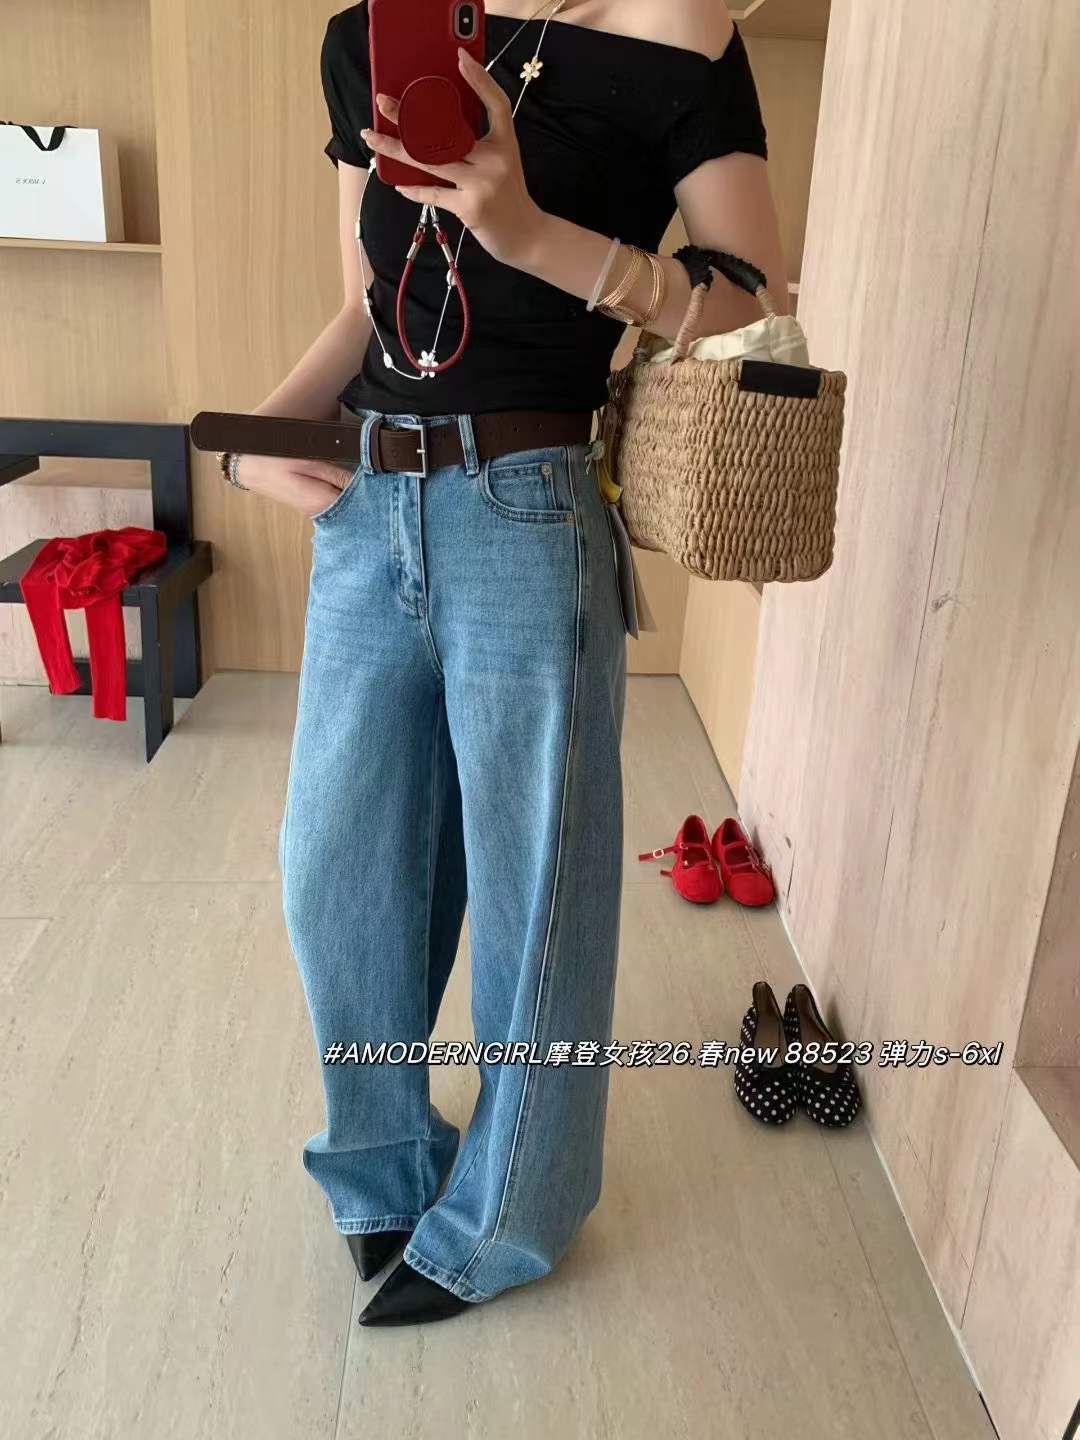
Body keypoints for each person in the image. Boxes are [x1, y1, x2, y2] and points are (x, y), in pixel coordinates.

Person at [229, 0, 788, 1326]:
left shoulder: (679, 31)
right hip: (368, 503)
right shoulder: (373, 33)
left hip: (529, 505)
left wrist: (536, 237)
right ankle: (382, 1159)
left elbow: (758, 304)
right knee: (337, 867)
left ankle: (510, 1215)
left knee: (538, 895)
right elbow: (368, 303)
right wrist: (262, 436)